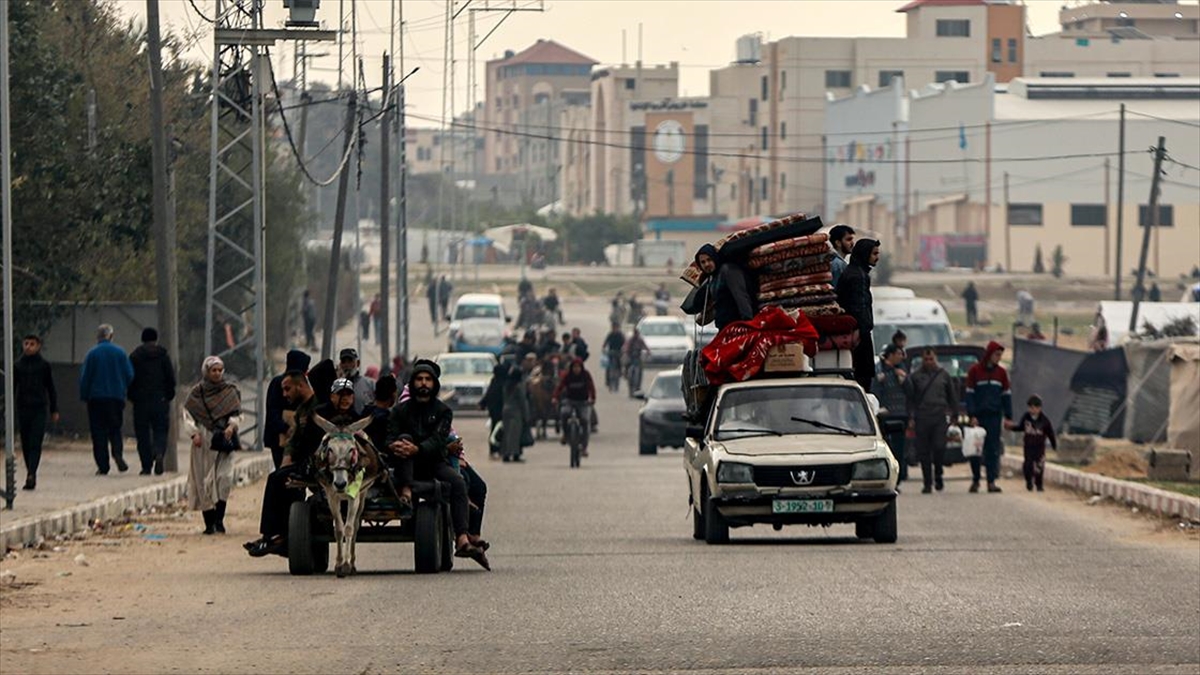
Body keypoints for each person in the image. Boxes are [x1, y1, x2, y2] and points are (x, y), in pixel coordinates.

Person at [386, 360, 490, 569]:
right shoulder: (399, 411)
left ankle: (462, 539)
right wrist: (396, 446)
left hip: (434, 463)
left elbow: (439, 440)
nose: (423, 383)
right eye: (419, 379)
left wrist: (418, 449)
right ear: (413, 383)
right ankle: (405, 491)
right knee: (404, 437)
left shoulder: (443, 411)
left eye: (428, 380)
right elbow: (389, 437)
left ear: (434, 384)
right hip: (405, 464)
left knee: (459, 483)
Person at [245, 375, 363, 556]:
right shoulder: (319, 415)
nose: (345, 398)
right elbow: (302, 441)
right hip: (316, 468)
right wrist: (292, 458)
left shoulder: (357, 419)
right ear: (331, 396)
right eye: (341, 394)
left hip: (351, 475)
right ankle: (273, 535)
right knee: (278, 478)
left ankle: (284, 536)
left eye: (348, 394)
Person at [183, 356, 241, 535]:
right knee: (204, 481)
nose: (217, 374)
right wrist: (194, 433)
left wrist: (232, 426)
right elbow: (188, 414)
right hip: (203, 440)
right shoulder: (197, 393)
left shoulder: (230, 391)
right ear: (206, 372)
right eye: (213, 370)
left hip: (224, 440)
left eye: (219, 370)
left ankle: (219, 520)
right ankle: (209, 524)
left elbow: (237, 413)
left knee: (224, 478)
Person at [79, 324, 134, 475]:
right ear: (111, 336)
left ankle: (103, 465)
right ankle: (117, 453)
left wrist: (84, 395)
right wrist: (124, 389)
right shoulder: (120, 353)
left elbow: (85, 378)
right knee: (115, 429)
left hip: (96, 399)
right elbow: (130, 375)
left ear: (98, 337)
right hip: (116, 398)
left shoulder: (92, 354)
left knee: (98, 432)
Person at [905, 348, 958, 494]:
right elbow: (910, 400)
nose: (929, 362)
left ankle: (938, 473)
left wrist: (955, 414)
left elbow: (952, 396)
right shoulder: (915, 377)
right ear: (923, 360)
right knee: (923, 452)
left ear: (936, 359)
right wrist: (910, 417)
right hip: (922, 417)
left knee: (939, 447)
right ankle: (927, 482)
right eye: (926, 359)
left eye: (931, 359)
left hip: (939, 416)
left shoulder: (944, 375)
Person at [965, 340, 1013, 494]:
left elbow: (1006, 396)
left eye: (1000, 355)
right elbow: (970, 395)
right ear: (990, 354)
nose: (998, 358)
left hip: (994, 417)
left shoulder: (1001, 373)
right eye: (997, 354)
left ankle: (991, 481)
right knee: (976, 449)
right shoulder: (975, 371)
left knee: (993, 449)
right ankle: (976, 479)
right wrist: (972, 415)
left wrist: (1008, 416)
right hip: (978, 417)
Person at [127, 328, 177, 476]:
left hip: (141, 401)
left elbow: (130, 378)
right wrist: (168, 396)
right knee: (160, 429)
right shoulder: (163, 356)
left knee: (142, 433)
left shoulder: (135, 356)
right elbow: (170, 379)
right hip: (160, 399)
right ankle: (159, 451)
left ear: (142, 339)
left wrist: (132, 396)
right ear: (155, 339)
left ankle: (146, 466)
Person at [14, 334, 59, 490]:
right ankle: (29, 471)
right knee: (25, 442)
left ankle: (32, 473)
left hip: (39, 408)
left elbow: (51, 388)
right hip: (23, 407)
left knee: (35, 441)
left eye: (32, 344)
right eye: (26, 343)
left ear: (38, 346)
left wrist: (54, 409)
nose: (28, 347)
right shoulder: (18, 365)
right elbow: (12, 387)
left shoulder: (44, 366)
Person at [836, 239, 881, 393]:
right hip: (859, 336)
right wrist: (864, 330)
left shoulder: (853, 272)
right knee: (863, 379)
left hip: (854, 333)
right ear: (865, 254)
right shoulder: (859, 277)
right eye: (874, 254)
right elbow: (859, 309)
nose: (877, 257)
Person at [265, 349, 311, 470]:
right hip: (279, 439)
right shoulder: (279, 383)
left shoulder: (300, 385)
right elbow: (273, 412)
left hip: (295, 439)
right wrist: (286, 428)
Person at [695, 243, 756, 330]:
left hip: (736, 326)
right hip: (723, 327)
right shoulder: (712, 279)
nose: (706, 264)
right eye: (703, 262)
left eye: (709, 260)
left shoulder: (727, 270)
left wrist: (748, 324)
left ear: (715, 258)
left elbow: (741, 296)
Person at [875, 344, 909, 487]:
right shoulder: (879, 368)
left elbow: (911, 392)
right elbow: (874, 390)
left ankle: (899, 479)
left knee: (900, 448)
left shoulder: (902, 369)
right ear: (891, 355)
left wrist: (905, 380)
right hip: (885, 416)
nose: (901, 357)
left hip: (901, 414)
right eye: (898, 354)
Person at [1008, 395, 1056, 492]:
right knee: (1028, 465)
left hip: (1040, 447)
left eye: (1034, 408)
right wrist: (1011, 427)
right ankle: (1029, 481)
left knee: (1039, 466)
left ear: (1039, 408)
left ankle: (1039, 484)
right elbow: (1021, 427)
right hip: (1028, 446)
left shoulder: (1044, 420)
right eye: (1030, 407)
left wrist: (1053, 444)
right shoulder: (1026, 417)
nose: (1032, 410)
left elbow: (1050, 433)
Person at [553, 358, 596, 456]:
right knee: (564, 414)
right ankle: (565, 434)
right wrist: (555, 397)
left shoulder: (586, 375)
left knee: (585, 421)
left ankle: (584, 448)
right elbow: (559, 387)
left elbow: (591, 387)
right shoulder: (567, 376)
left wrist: (592, 398)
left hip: (583, 402)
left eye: (578, 367)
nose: (576, 369)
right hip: (570, 401)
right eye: (575, 367)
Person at [499, 361, 531, 462]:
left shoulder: (506, 385)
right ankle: (515, 454)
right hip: (516, 412)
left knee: (506, 433)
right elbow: (523, 402)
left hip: (505, 410)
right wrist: (527, 416)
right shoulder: (518, 387)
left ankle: (505, 454)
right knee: (515, 434)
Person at [338, 348, 375, 414]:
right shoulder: (336, 386)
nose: (347, 365)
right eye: (344, 362)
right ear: (340, 364)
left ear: (358, 363)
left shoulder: (370, 384)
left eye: (350, 361)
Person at [623, 327, 649, 395]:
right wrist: (626, 353)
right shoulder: (630, 340)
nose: (636, 335)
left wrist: (648, 352)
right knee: (626, 366)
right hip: (631, 359)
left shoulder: (640, 340)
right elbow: (626, 347)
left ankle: (638, 386)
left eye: (637, 333)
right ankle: (626, 375)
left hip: (637, 359)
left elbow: (645, 347)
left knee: (640, 371)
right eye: (635, 333)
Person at [829, 224, 855, 288]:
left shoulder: (834, 261)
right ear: (838, 243)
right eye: (848, 240)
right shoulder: (838, 264)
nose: (852, 243)